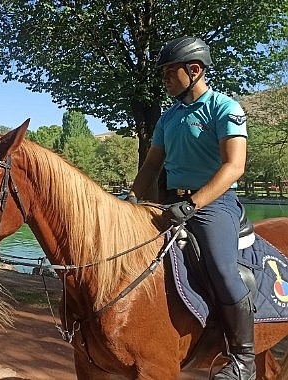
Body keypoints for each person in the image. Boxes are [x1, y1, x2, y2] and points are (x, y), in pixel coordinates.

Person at [128, 37, 252, 379]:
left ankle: (243, 361)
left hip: (214, 203)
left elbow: (233, 166)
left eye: (170, 72)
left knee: (222, 268)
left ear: (194, 70)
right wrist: (132, 201)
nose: (164, 79)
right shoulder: (169, 118)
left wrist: (194, 203)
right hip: (172, 202)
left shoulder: (225, 108)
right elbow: (152, 167)